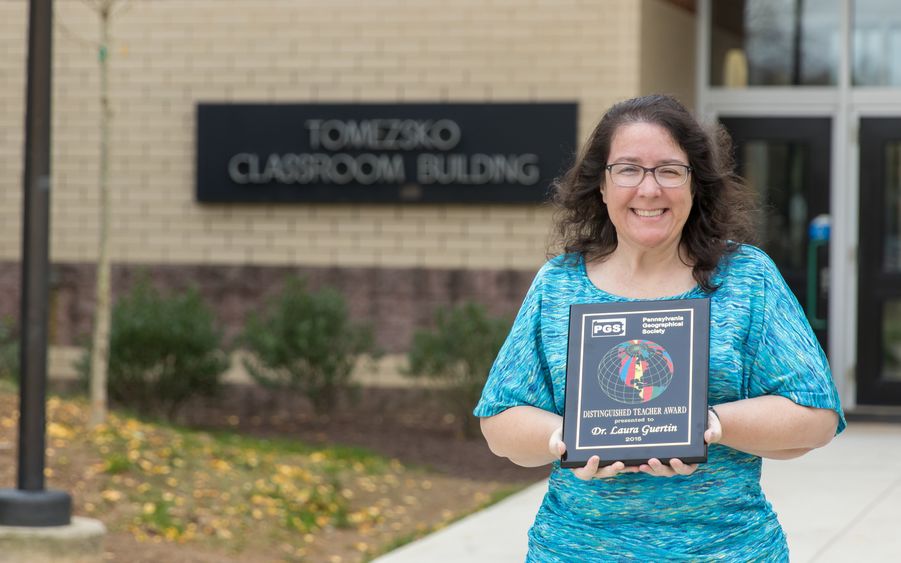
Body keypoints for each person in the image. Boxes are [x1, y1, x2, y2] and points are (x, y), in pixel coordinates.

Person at [474, 94, 844, 561]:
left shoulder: (748, 279)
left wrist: (709, 424)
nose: (649, 190)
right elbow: (500, 420)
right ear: (602, 186)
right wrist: (565, 438)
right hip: (576, 550)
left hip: (726, 549)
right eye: (627, 169)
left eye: (669, 169)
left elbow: (816, 417)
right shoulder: (559, 285)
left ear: (696, 185)